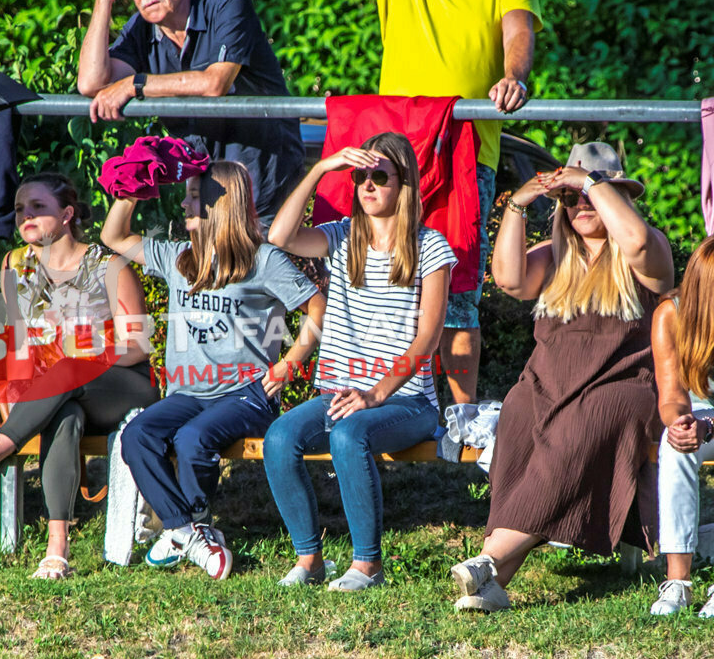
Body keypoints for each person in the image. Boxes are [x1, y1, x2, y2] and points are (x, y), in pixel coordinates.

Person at [314, 0, 543, 403]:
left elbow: (518, 30)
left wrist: (513, 76)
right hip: (395, 160)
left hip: (465, 154)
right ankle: (384, 405)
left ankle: (461, 420)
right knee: (378, 290)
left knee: (457, 298)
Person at [449, 142, 675, 612]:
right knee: (517, 413)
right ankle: (492, 581)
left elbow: (634, 243)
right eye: (570, 198)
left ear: (617, 195)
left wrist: (586, 182)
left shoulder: (645, 247)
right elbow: (509, 280)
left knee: (581, 426)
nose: (581, 204)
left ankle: (489, 559)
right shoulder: (556, 255)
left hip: (620, 386)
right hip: (547, 382)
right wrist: (517, 203)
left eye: (592, 194)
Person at [101, 160, 325, 580]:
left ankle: (187, 530)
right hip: (188, 393)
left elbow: (316, 305)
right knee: (137, 435)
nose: (183, 204)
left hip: (246, 394)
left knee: (193, 439)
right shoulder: (178, 257)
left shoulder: (263, 260)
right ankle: (187, 530)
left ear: (218, 204)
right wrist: (134, 188)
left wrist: (290, 362)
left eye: (193, 197)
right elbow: (112, 236)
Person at [0, 173, 160, 579]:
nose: (26, 216)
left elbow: (138, 347)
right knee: (65, 415)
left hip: (122, 386)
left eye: (38, 207)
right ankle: (58, 549)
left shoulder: (108, 265)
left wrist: (87, 353)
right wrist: (17, 389)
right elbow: (20, 341)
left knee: (69, 367)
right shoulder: (15, 266)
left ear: (67, 214)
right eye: (20, 209)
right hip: (58, 396)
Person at [264, 132, 455, 590]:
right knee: (279, 437)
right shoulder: (342, 236)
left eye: (380, 176)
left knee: (349, 436)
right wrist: (320, 169)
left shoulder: (430, 247)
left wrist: (375, 394)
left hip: (406, 401)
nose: (368, 185)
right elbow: (279, 236)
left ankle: (367, 565)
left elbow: (428, 339)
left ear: (403, 183)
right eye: (360, 176)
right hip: (340, 393)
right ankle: (310, 561)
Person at [77, 0, 304, 230]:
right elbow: (90, 83)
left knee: (265, 258)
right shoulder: (140, 29)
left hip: (262, 180)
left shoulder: (225, 0)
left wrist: (136, 84)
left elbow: (214, 84)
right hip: (204, 191)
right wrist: (103, 0)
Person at [648, 236, 714, 617]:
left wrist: (709, 426)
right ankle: (678, 582)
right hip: (702, 409)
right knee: (674, 443)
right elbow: (671, 394)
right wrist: (681, 423)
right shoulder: (670, 316)